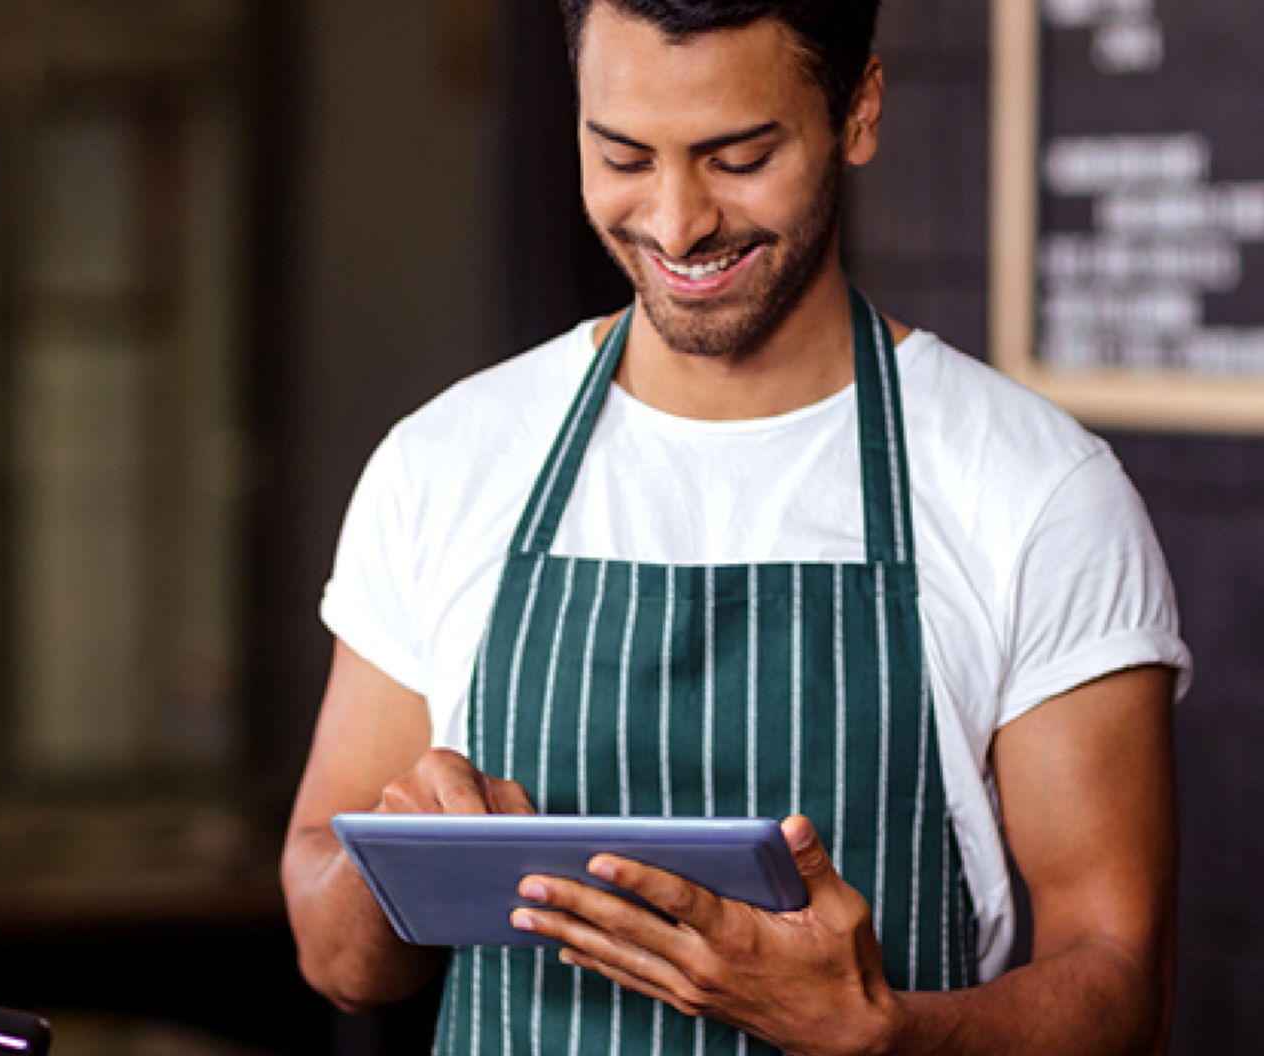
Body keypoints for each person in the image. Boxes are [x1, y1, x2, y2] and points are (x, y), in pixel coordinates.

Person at [280, 1, 1190, 1053]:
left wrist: (881, 1032)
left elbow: (1122, 990)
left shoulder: (1033, 491)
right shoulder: (446, 464)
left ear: (857, 112)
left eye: (738, 157)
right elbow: (334, 959)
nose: (676, 223)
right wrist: (398, 862)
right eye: (622, 155)